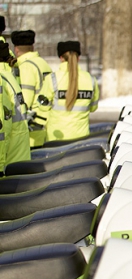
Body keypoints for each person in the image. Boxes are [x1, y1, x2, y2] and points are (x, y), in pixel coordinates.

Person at [36, 41, 99, 142]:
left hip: (56, 138)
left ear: (61, 58)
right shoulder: (91, 80)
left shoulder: (52, 79)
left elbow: (43, 107)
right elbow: (93, 108)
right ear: (78, 58)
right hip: (81, 137)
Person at [10, 30, 52, 147]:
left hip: (33, 128)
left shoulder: (26, 67)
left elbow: (25, 101)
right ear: (32, 47)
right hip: (45, 124)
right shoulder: (43, 63)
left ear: (16, 50)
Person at [0, 42, 30, 172]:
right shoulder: (9, 77)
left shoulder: (3, 80)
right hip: (19, 154)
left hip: (9, 159)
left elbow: (3, 127)